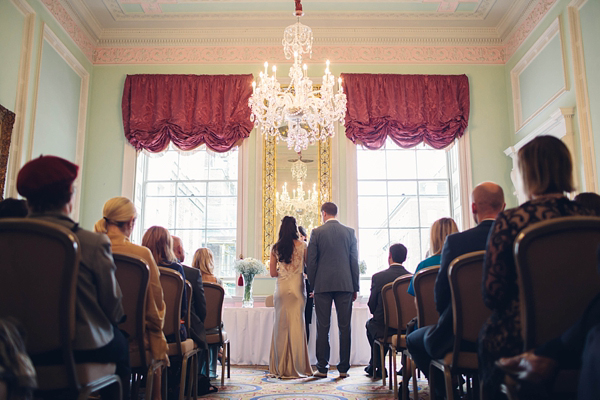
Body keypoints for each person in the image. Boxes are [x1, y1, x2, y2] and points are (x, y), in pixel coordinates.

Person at [479, 135, 594, 400]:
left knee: (488, 336)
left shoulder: (510, 221)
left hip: (520, 340)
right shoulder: (592, 218)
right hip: (584, 334)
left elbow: (492, 295)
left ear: (526, 174)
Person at [16, 155, 129, 399]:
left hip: (15, 348)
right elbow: (113, 308)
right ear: (69, 195)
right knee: (121, 344)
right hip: (77, 351)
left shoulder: (7, 238)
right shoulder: (91, 242)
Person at [406, 181, 505, 398]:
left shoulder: (457, 243)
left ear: (473, 208)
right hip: (509, 335)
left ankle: (446, 392)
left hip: (461, 337)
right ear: (504, 206)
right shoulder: (517, 237)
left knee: (413, 339)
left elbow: (440, 297)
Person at [307, 202, 360, 378]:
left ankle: (322, 368)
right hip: (345, 284)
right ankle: (343, 368)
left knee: (323, 326)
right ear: (336, 213)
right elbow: (354, 262)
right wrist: (355, 287)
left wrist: (313, 286)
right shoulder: (350, 232)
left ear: (323, 213)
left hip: (322, 285)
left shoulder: (316, 232)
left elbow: (312, 263)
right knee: (345, 327)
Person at [142, 226, 188, 400]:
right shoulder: (176, 269)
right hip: (170, 332)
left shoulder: (137, 266)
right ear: (168, 245)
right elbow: (182, 309)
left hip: (140, 332)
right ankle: (175, 387)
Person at [268, 216, 313, 378]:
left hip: (281, 289)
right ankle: (298, 366)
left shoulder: (275, 248)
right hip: (297, 289)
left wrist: (283, 272)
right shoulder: (303, 246)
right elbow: (308, 269)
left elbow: (273, 273)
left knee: (280, 326)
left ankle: (280, 366)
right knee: (297, 325)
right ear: (295, 229)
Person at [364, 243, 411, 379]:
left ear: (389, 256)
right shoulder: (412, 277)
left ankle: (376, 365)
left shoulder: (378, 277)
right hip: (406, 329)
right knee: (374, 325)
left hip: (384, 328)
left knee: (370, 325)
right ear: (405, 258)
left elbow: (372, 306)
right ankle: (404, 364)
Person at [407, 217, 458, 297]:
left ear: (433, 239)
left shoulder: (424, 266)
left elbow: (415, 296)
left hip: (431, 309)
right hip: (462, 309)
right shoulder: (462, 262)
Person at [191, 247, 221, 380]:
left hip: (195, 326)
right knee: (220, 324)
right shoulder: (217, 282)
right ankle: (212, 366)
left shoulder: (190, 280)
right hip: (213, 327)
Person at [298, 226, 314, 341]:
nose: (299, 238)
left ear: (305, 237)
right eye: (297, 235)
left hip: (307, 287)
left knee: (305, 321)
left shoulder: (308, 251)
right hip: (295, 287)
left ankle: (304, 352)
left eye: (300, 236)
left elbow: (313, 269)